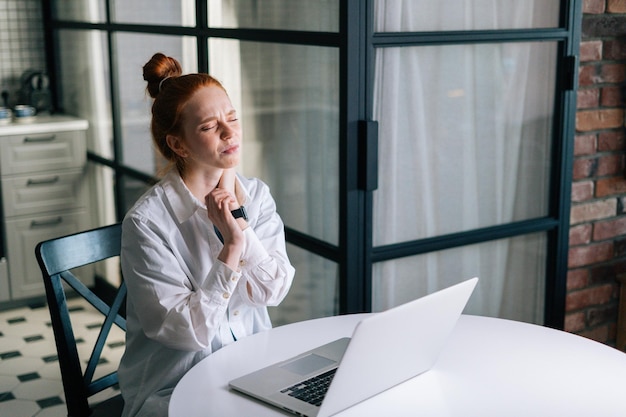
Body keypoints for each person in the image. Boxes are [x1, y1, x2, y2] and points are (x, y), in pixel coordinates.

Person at [118, 52, 295, 417]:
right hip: (175, 390)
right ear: (178, 145)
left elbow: (273, 290)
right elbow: (187, 334)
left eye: (232, 119)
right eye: (209, 127)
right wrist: (231, 248)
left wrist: (241, 223)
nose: (230, 133)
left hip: (253, 376)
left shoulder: (255, 195)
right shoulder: (146, 223)